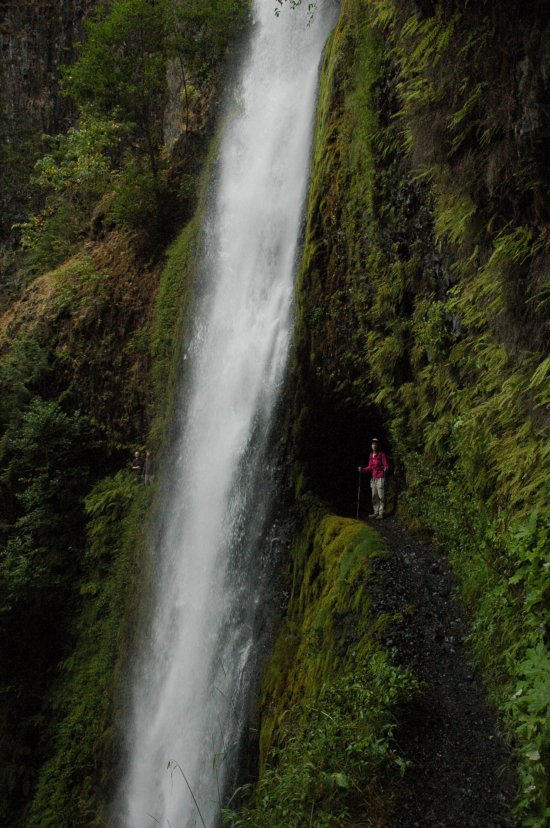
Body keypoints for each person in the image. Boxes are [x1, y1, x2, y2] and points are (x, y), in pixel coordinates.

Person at [358, 438, 390, 519]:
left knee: (381, 495)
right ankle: (376, 512)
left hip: (380, 477)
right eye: (373, 444)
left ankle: (381, 512)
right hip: (373, 478)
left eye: (376, 444)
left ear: (378, 445)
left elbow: (386, 465)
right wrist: (362, 470)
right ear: (371, 445)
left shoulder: (381, 454)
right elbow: (369, 467)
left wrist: (386, 468)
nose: (374, 445)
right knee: (374, 495)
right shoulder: (371, 455)